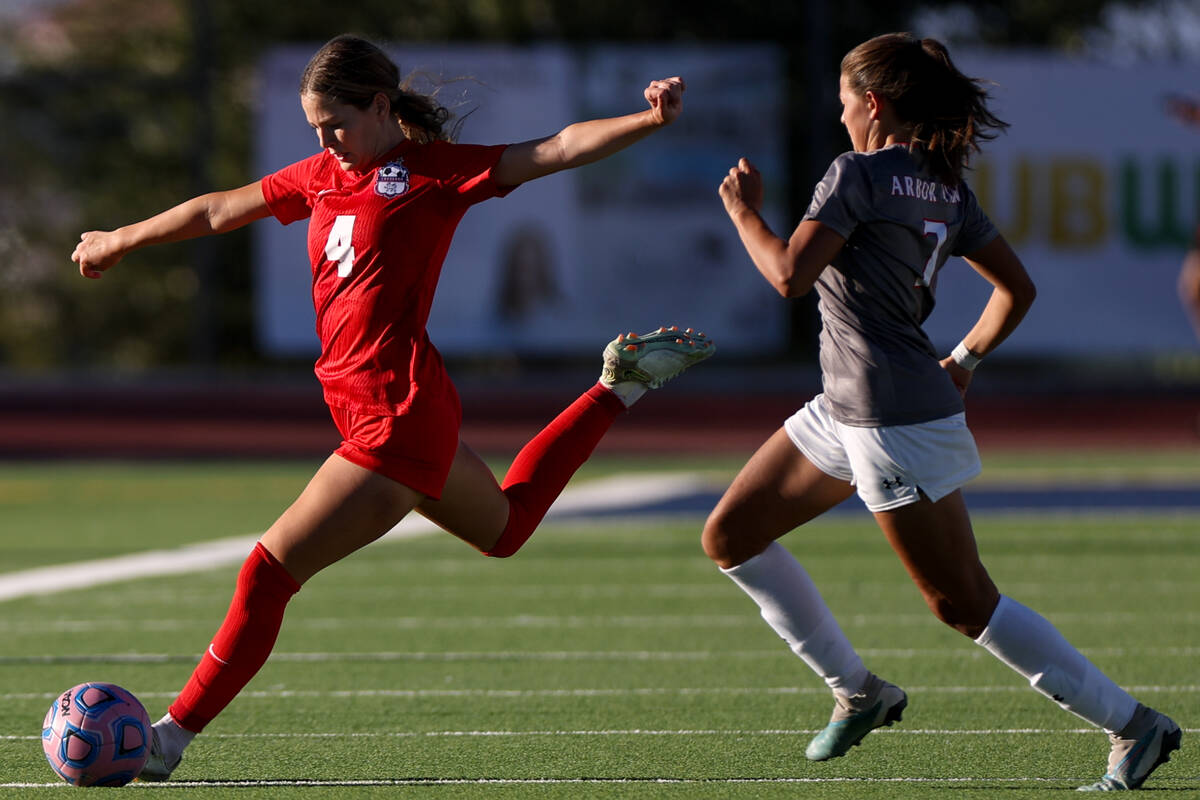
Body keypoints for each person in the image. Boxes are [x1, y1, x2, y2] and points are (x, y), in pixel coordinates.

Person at [71, 33, 713, 781]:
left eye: (334, 123)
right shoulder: (321, 175)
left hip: (394, 419)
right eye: (313, 126)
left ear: (380, 106)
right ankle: (616, 388)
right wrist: (121, 238)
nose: (323, 139)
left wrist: (648, 123)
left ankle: (167, 739)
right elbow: (219, 210)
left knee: (267, 574)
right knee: (505, 529)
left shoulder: (432, 173)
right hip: (391, 412)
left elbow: (557, 147)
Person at [706, 32, 1179, 792]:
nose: (841, 120)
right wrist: (962, 362)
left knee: (962, 604)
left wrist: (742, 212)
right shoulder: (945, 187)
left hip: (888, 417)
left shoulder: (857, 173)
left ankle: (1133, 726)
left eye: (842, 105)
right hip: (851, 402)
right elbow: (1016, 291)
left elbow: (790, 276)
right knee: (731, 533)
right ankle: (859, 692)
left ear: (872, 104)